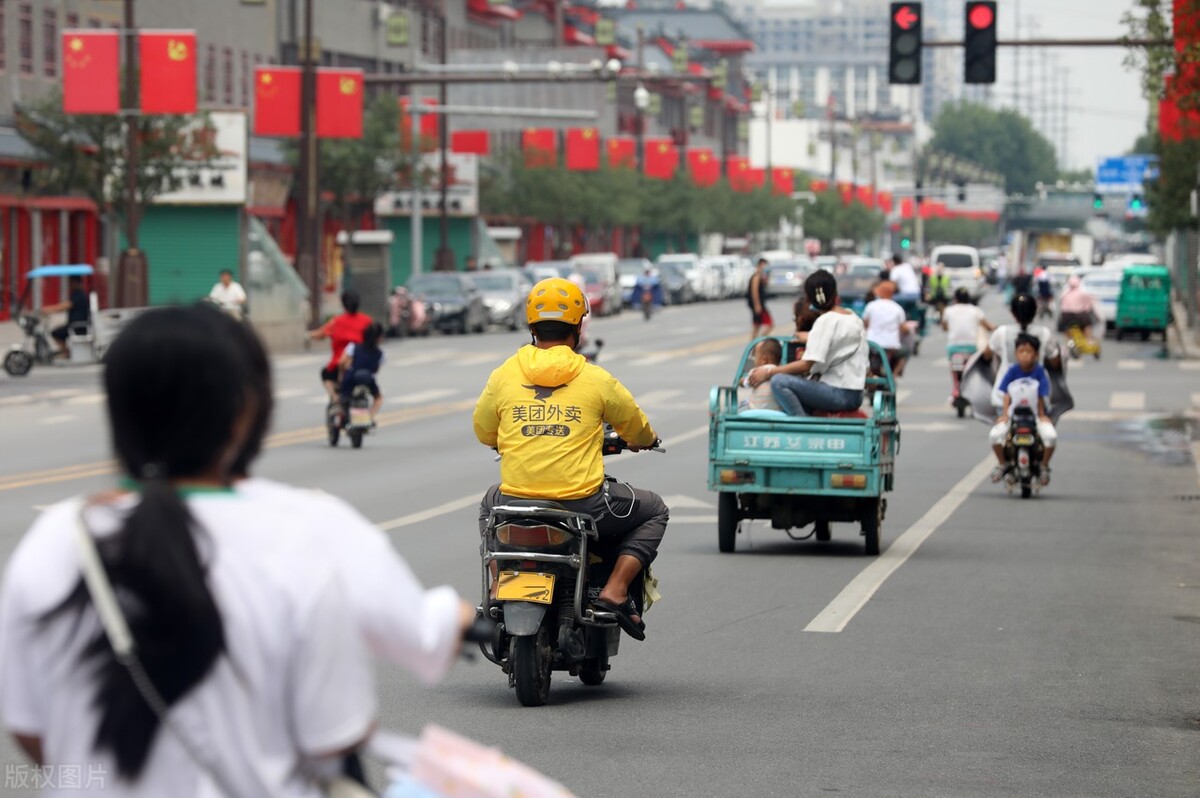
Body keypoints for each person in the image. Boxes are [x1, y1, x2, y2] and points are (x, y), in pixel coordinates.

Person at [0, 304, 376, 796]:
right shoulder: (296, 537)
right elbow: (336, 737)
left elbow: (29, 727)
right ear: (246, 413)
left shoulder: (54, 539)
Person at [223, 317, 474, 684]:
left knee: (339, 390)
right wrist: (459, 615)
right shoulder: (316, 520)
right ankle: (369, 417)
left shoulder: (108, 532)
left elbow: (340, 365)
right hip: (368, 385)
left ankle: (344, 411)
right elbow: (417, 628)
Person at [473, 278, 666, 641]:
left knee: (489, 506)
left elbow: (484, 431)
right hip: (584, 506)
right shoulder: (596, 378)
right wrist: (645, 440)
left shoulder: (504, 375)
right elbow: (637, 428)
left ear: (531, 328)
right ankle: (615, 590)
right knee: (655, 509)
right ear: (578, 328)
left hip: (516, 501)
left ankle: (499, 581)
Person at [747, 271, 868, 417]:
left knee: (779, 381)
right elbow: (840, 340)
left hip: (837, 393)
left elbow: (806, 365)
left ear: (810, 299)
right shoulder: (852, 317)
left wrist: (768, 372)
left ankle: (801, 424)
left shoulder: (825, 321)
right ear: (835, 292)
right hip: (855, 395)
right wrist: (811, 337)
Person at [989, 333, 1057, 485]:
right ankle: (1003, 464)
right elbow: (1006, 394)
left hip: (1034, 416)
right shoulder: (1012, 371)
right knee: (994, 436)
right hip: (1014, 416)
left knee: (1051, 437)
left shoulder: (1039, 372)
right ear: (1016, 353)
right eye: (1021, 351)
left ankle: (1044, 465)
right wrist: (1005, 415)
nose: (1025, 355)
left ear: (1036, 355)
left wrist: (1041, 415)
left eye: (1029, 352)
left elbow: (1040, 396)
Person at [981, 293, 1061, 413]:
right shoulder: (1045, 333)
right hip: (1038, 397)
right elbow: (1055, 362)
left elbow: (986, 355)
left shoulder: (1001, 333)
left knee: (1002, 426)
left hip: (1005, 398)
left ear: (1012, 312)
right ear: (1035, 311)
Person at [309, 290, 373, 403]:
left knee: (325, 374)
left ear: (343, 304)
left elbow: (320, 334)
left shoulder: (337, 322)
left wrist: (307, 334)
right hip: (363, 366)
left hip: (339, 367)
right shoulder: (367, 321)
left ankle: (335, 398)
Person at [339, 321, 385, 423]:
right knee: (378, 398)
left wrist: (342, 374)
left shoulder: (354, 347)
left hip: (351, 378)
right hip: (368, 379)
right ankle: (370, 417)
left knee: (342, 398)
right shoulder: (380, 354)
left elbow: (342, 362)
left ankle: (342, 415)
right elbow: (376, 370)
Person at [45, 275, 91, 357]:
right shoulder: (77, 294)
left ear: (75, 282)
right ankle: (66, 352)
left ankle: (66, 352)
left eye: (71, 282)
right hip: (74, 324)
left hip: (77, 326)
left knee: (55, 333)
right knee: (58, 331)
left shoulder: (79, 294)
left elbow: (66, 305)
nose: (70, 285)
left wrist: (49, 309)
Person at [739, 339, 783, 411]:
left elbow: (746, 383)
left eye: (755, 356)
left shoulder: (756, 372)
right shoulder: (780, 372)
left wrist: (741, 381)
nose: (754, 360)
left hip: (756, 410)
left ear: (764, 359)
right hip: (776, 411)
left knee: (743, 407)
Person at [1058, 275, 1099, 341]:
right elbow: (1090, 304)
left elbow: (1061, 303)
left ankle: (1068, 341)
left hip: (1066, 316)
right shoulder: (1082, 293)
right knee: (1087, 325)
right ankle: (1089, 340)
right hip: (1079, 316)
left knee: (1064, 327)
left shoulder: (1065, 292)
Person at [747, 258, 773, 338]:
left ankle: (755, 343)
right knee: (767, 324)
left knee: (757, 326)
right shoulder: (756, 276)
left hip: (760, 304)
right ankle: (757, 342)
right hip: (758, 305)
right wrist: (757, 305)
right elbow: (754, 291)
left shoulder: (761, 276)